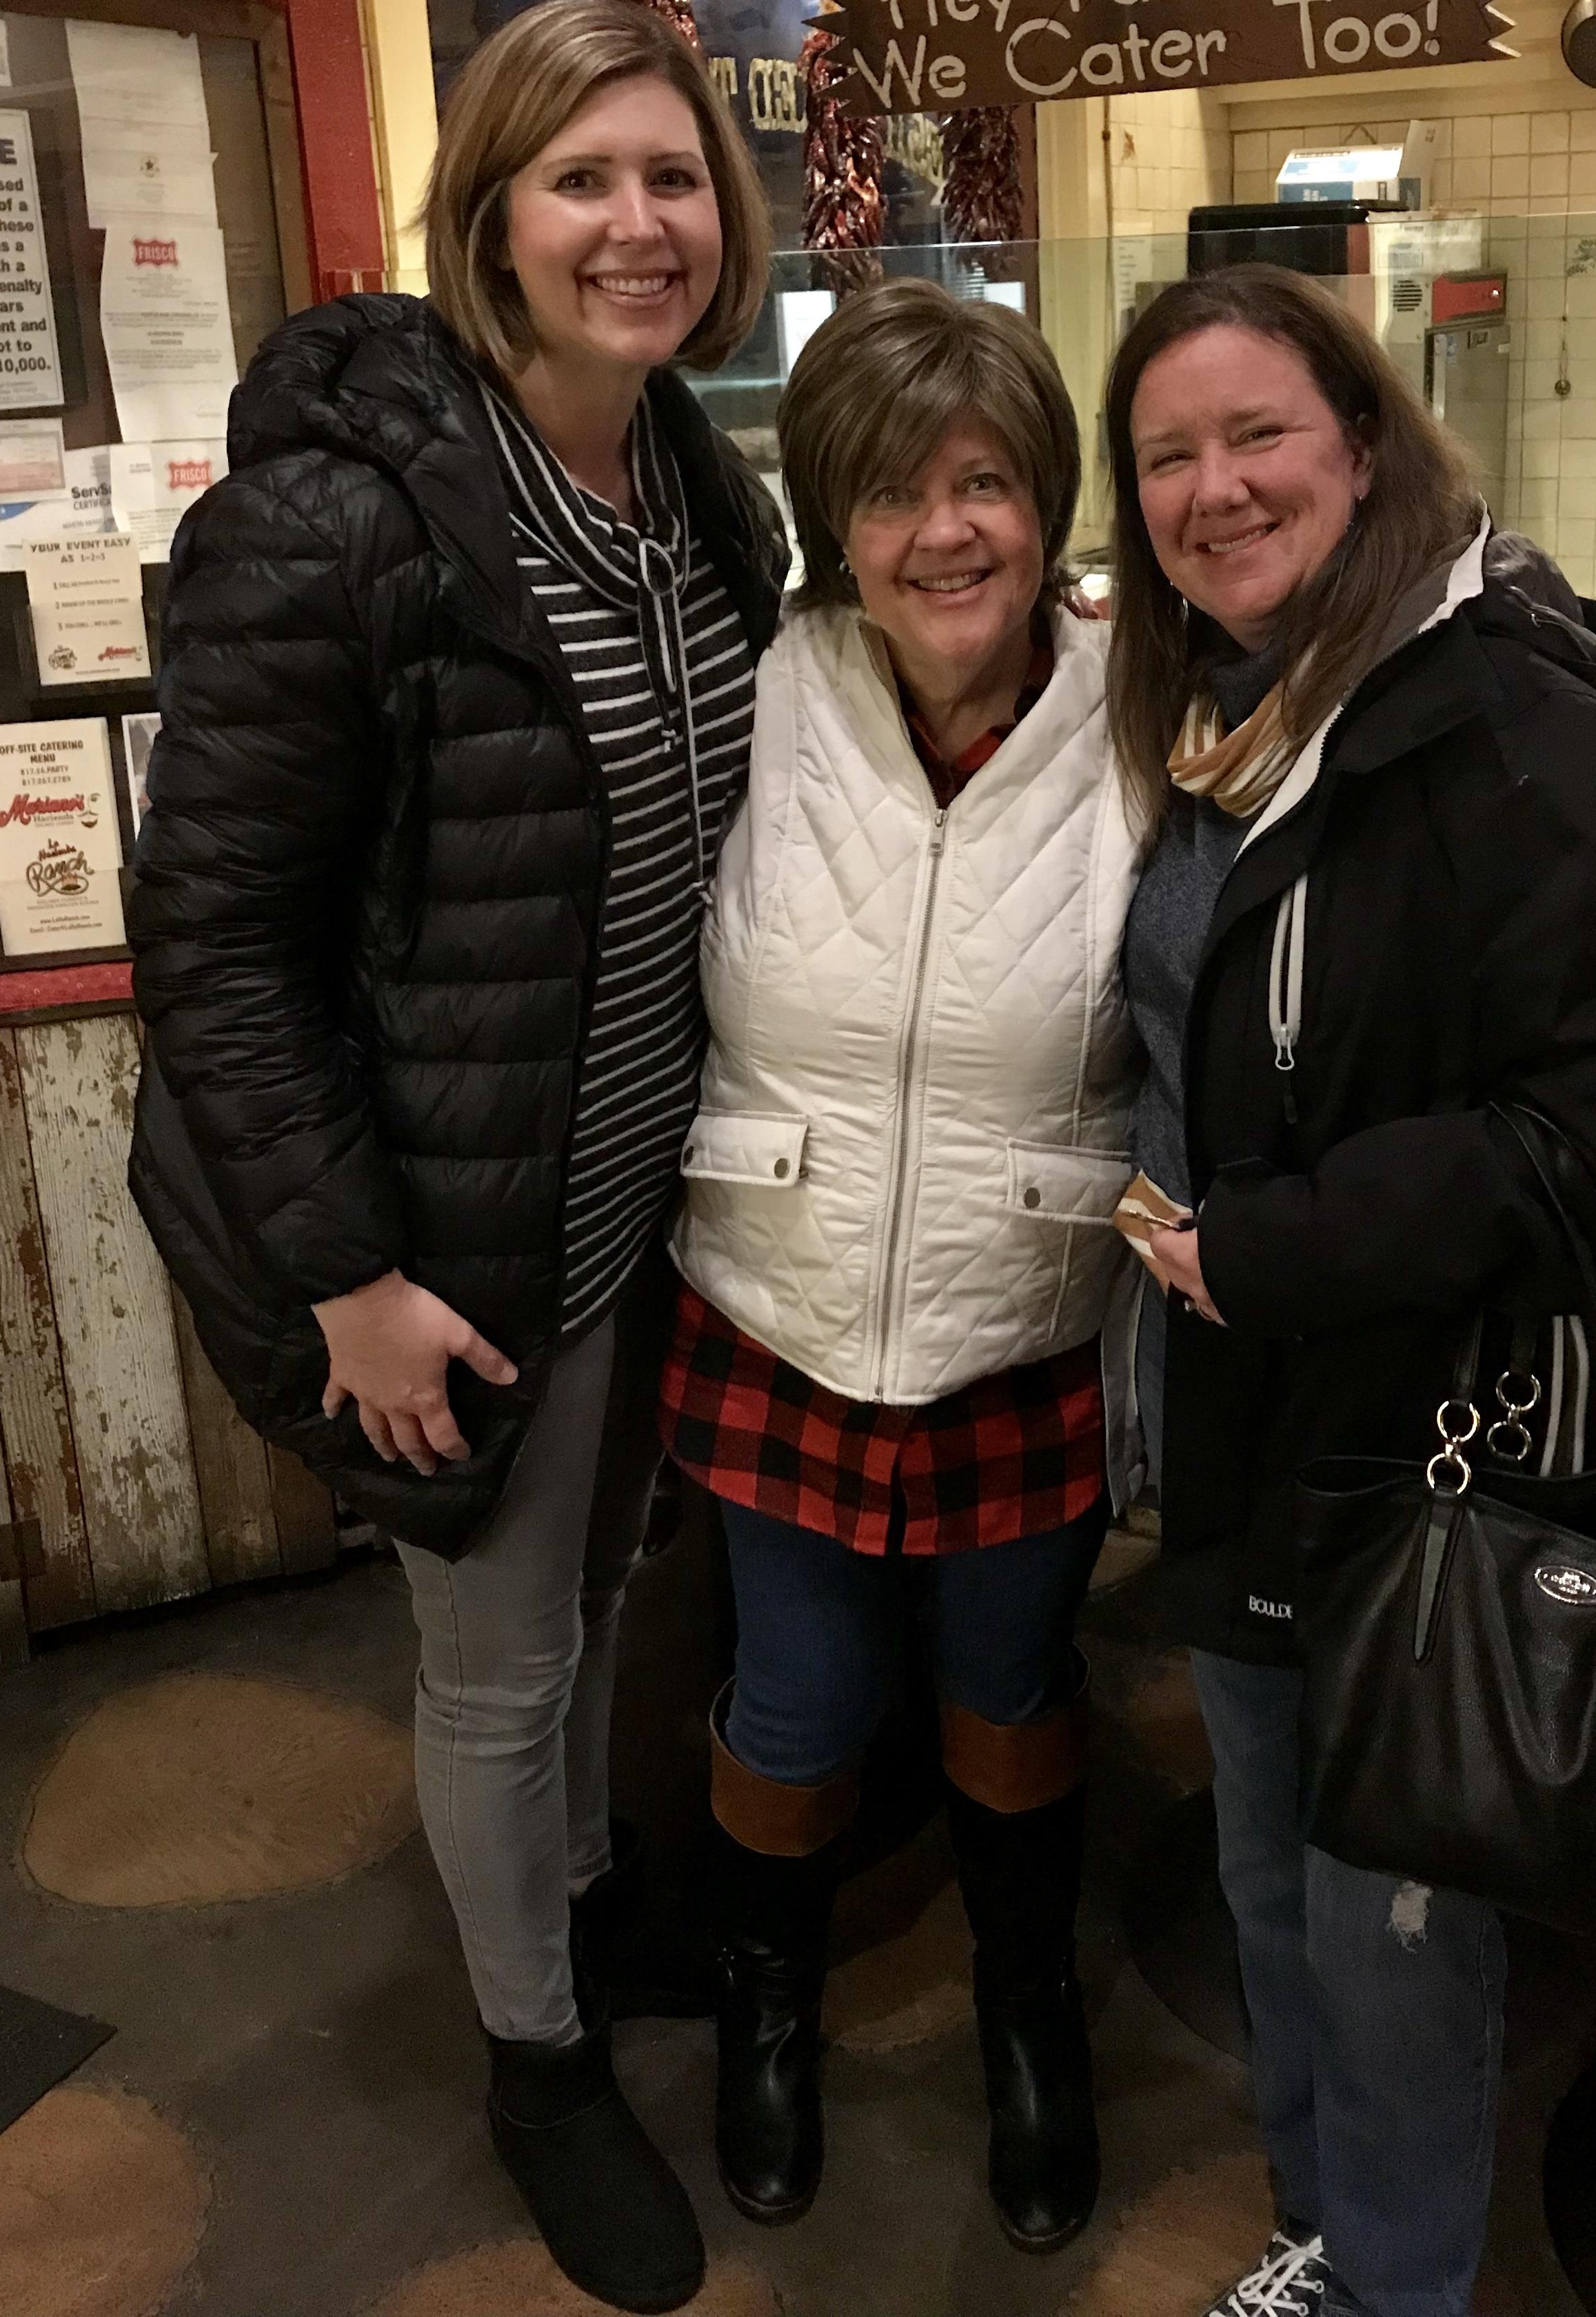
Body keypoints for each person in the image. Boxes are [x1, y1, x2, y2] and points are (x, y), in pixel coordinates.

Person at [125, 0, 789, 2316]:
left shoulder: (698, 485)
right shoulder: (340, 518)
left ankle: (587, 1897)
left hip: (622, 1211)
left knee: (597, 1604)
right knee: (496, 1661)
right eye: (584, 178)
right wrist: (346, 1276)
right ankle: (535, 2059)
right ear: (489, 212)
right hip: (435, 1248)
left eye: (675, 177)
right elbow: (208, 938)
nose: (639, 224)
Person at [1100, 265, 1596, 2317]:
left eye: (1259, 435)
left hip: (1436, 1443)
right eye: (1167, 455)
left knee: (1392, 1909)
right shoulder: (1227, 723)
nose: (1217, 488)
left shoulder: (1497, 708)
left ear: (1362, 443)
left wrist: (1287, 1241)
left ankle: (1397, 2285)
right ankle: (1324, 2228)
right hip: (1263, 1428)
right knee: (1271, 1865)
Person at [662, 279, 1141, 2253]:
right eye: (889, 493)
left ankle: (1032, 2018)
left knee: (1013, 1693)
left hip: (1024, 1314)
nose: (942, 533)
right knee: (794, 1700)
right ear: (830, 524)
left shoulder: (1156, 710)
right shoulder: (754, 688)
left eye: (985, 483)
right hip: (773, 1293)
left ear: (1046, 500)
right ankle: (764, 2002)